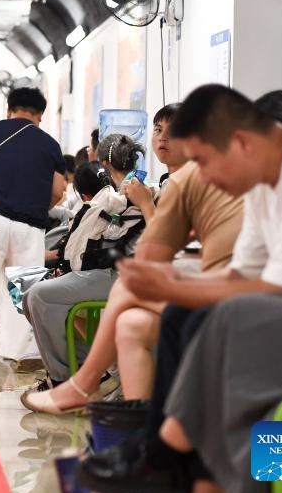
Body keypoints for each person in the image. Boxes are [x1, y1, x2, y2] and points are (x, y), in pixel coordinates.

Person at [78, 85, 282, 493]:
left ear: (242, 142)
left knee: (230, 321)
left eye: (204, 162)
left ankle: (164, 450)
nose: (204, 177)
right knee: (184, 315)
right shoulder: (263, 179)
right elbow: (242, 277)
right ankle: (171, 457)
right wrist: (174, 287)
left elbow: (280, 289)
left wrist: (172, 283)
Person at [22, 106, 243, 413]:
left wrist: (144, 204)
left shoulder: (197, 184)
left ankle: (81, 382)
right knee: (129, 323)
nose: (163, 138)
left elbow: (167, 245)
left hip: (208, 289)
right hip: (175, 280)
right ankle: (134, 422)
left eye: (173, 130)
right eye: (158, 130)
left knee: (112, 288)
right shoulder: (168, 183)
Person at [21, 133, 147, 391]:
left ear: (104, 162)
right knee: (27, 293)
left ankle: (64, 377)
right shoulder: (117, 193)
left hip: (116, 275)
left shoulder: (128, 194)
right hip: (101, 273)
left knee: (38, 296)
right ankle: (84, 366)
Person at [0, 87, 66, 362]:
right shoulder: (50, 144)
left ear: (9, 109)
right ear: (40, 116)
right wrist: (35, 207)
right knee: (21, 292)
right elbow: (58, 190)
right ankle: (14, 354)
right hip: (29, 228)